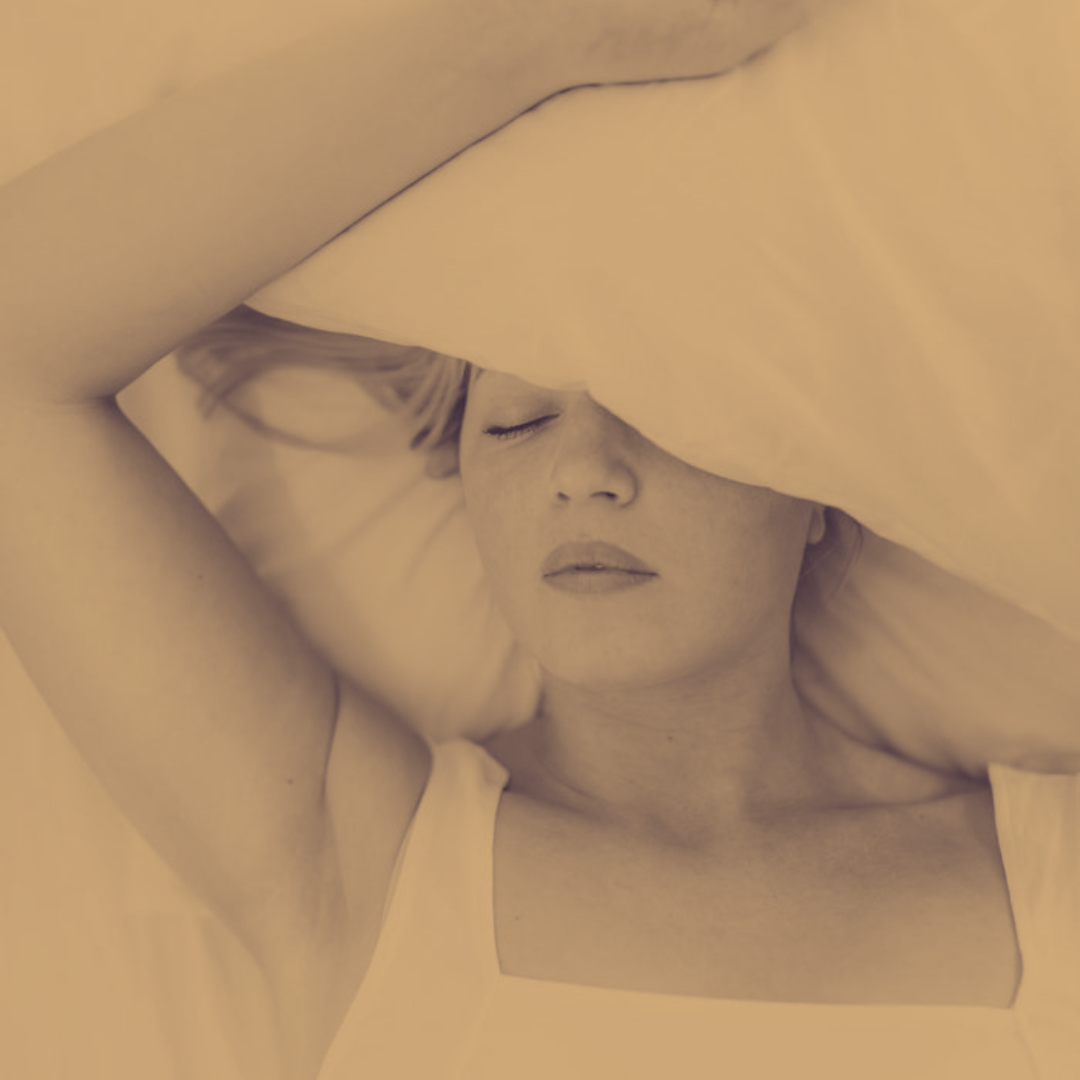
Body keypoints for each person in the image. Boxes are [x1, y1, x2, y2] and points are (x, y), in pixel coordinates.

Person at [0, 3, 1070, 1078]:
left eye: (671, 419)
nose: (582, 476)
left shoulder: (1052, 873)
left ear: (818, 487)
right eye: (513, 424)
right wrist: (546, 35)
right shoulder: (366, 870)